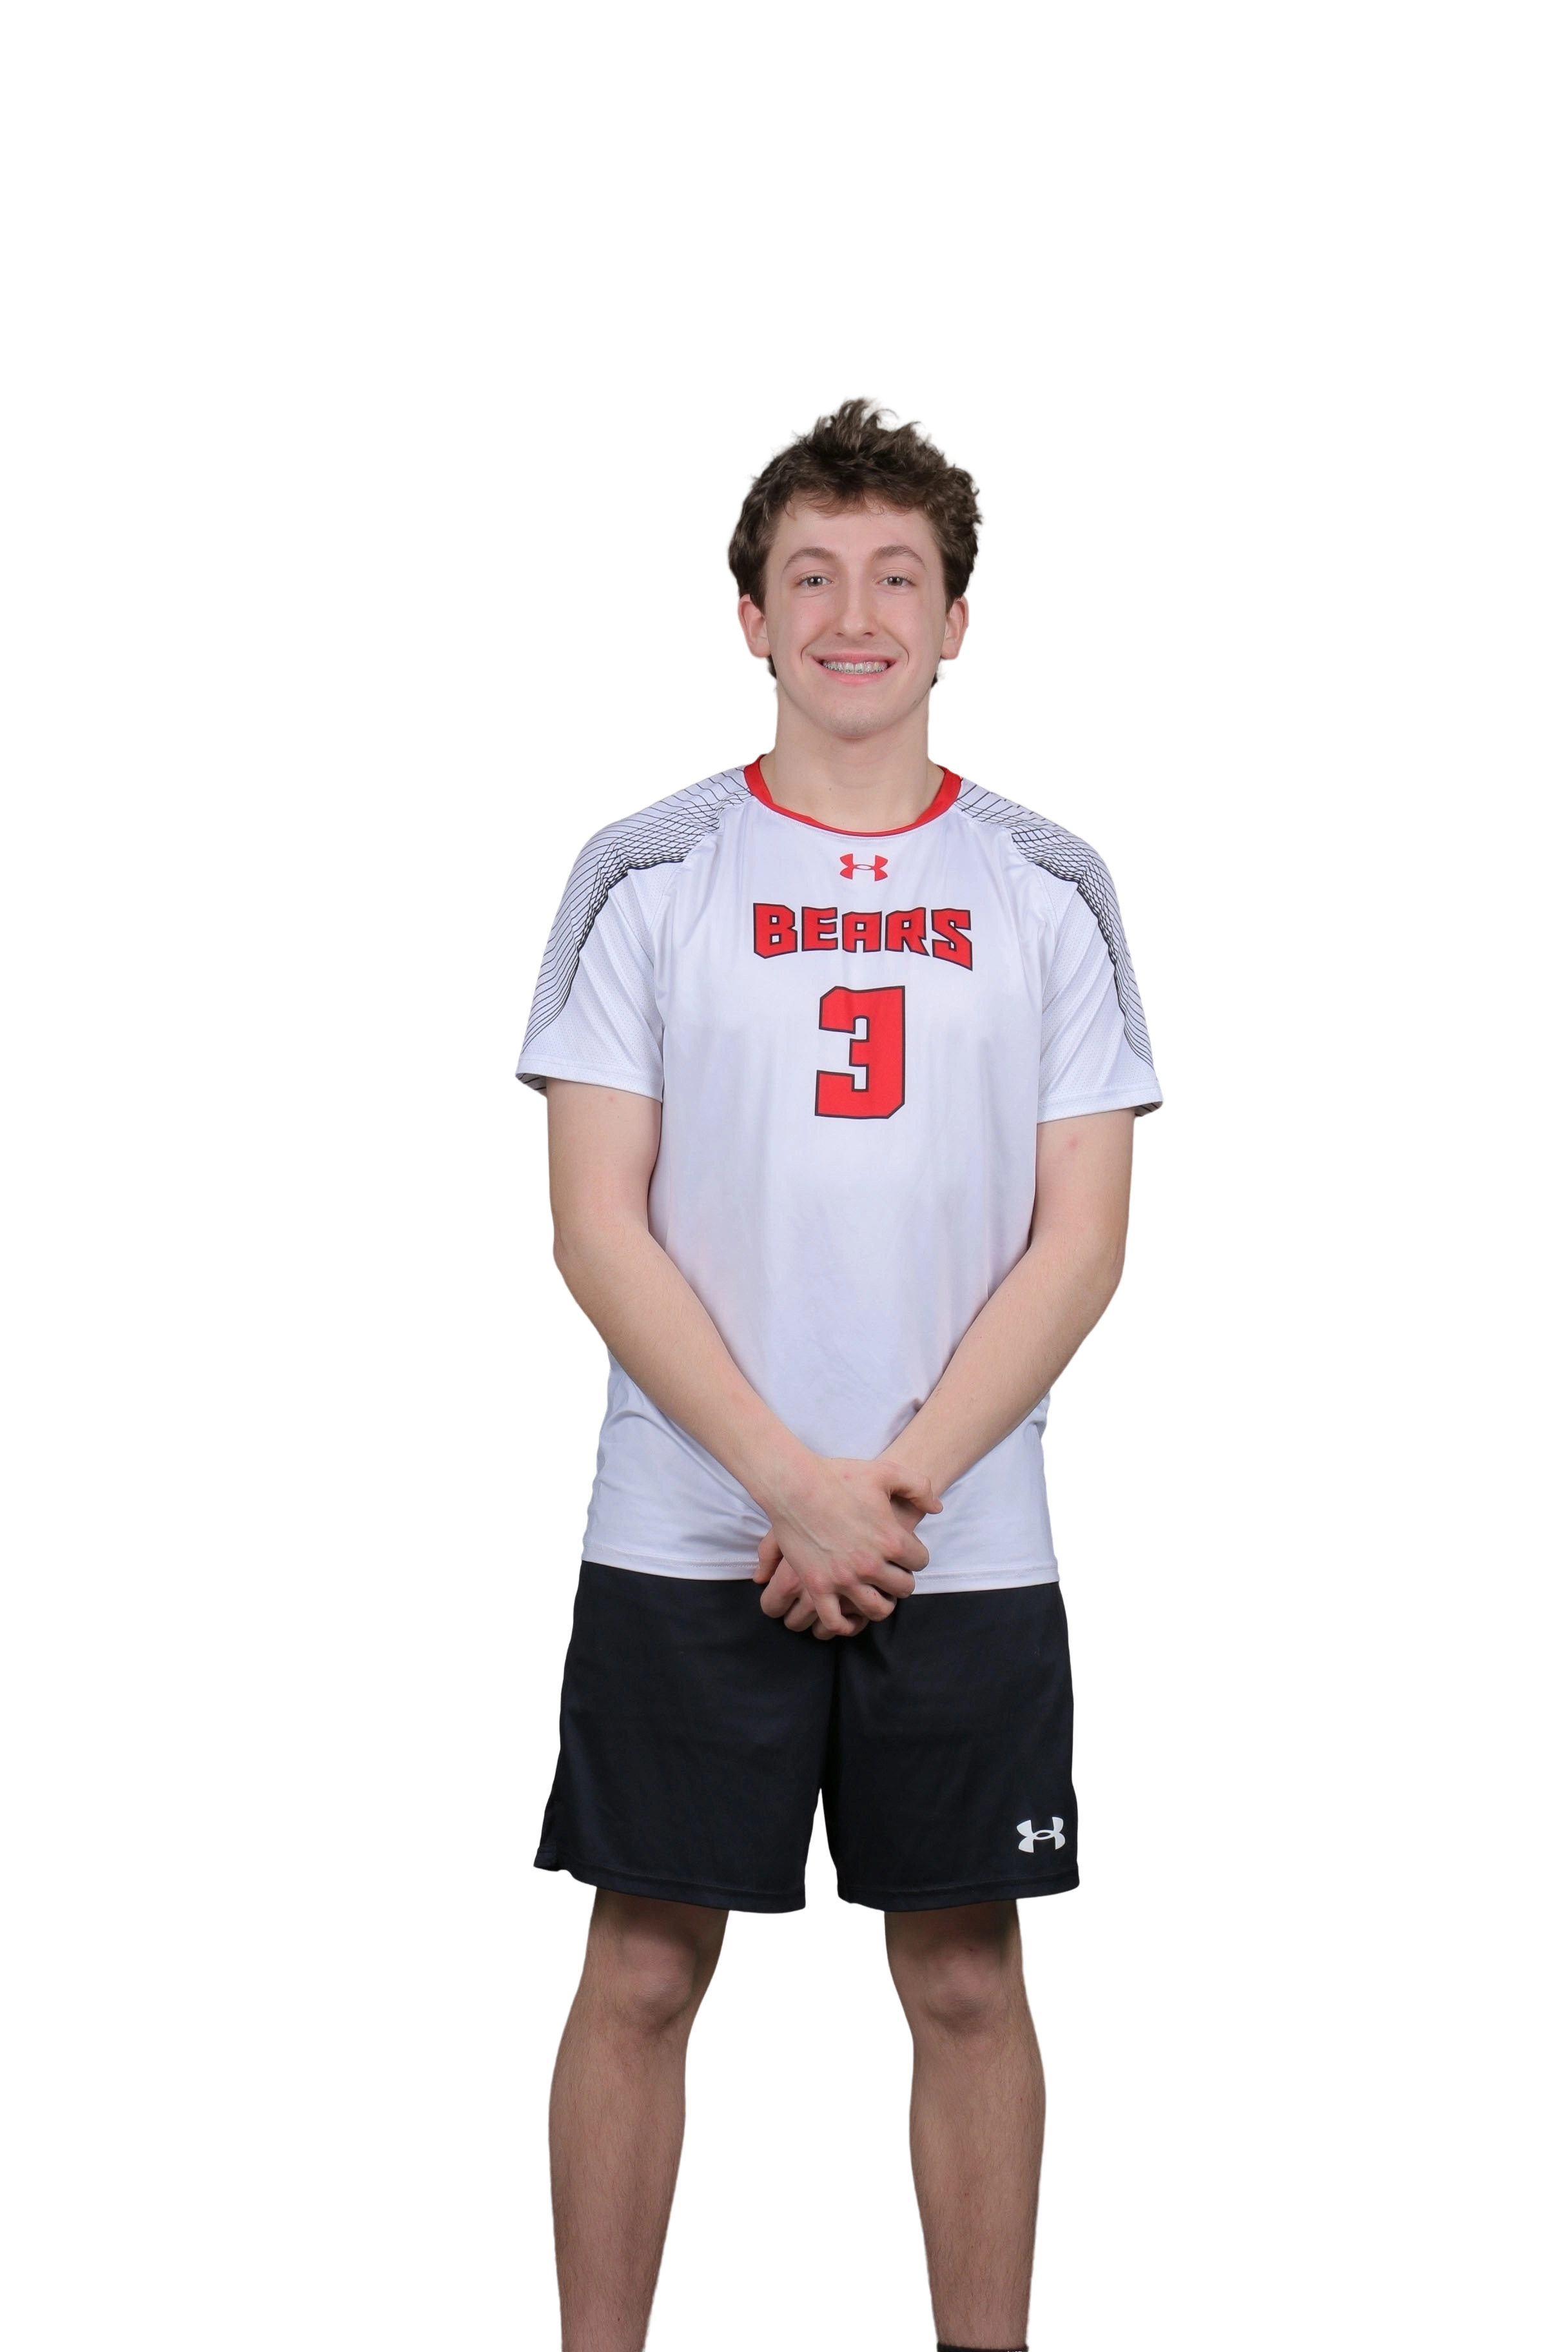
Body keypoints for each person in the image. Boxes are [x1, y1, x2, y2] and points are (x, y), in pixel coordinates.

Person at [513, 389, 1164, 2352]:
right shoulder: (641, 871)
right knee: (643, 1967)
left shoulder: (1052, 884)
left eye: (898, 577)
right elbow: (595, 1224)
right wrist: (788, 1484)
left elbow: (1084, 1238)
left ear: (959, 619)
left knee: (965, 1977)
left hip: (960, 1538)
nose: (854, 616)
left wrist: (886, 1493)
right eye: (812, 577)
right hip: (683, 1524)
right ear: (751, 615)